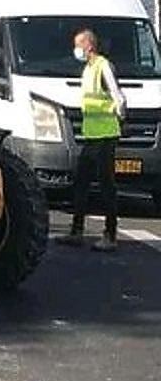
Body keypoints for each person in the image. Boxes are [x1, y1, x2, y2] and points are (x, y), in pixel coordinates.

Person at [60, 28, 127, 251]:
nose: (75, 50)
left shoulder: (102, 66)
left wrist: (120, 119)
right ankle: (77, 230)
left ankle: (110, 235)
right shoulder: (88, 69)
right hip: (92, 135)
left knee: (106, 184)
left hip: (106, 135)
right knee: (81, 181)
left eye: (78, 45)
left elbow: (119, 97)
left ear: (89, 46)